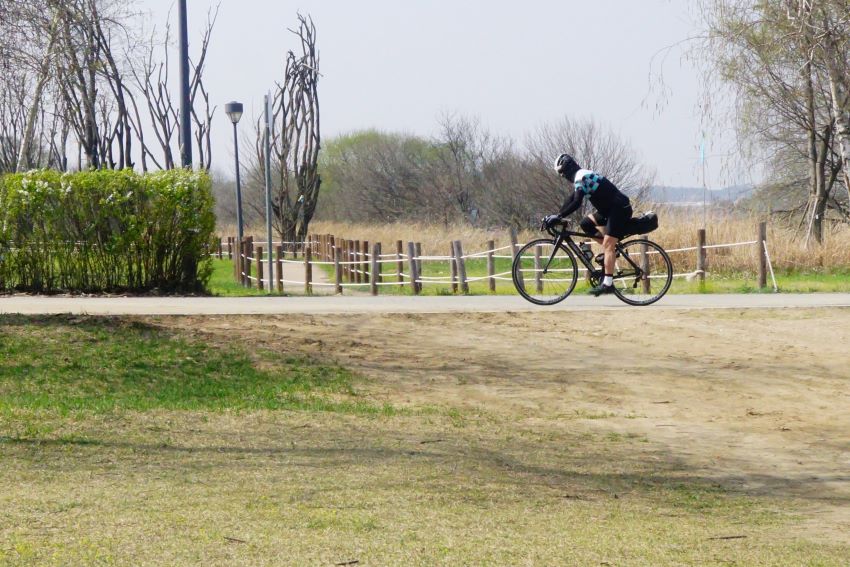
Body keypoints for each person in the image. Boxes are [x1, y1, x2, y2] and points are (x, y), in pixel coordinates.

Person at [543, 153, 633, 296]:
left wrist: (559, 216)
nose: (562, 176)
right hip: (608, 210)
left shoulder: (582, 176)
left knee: (609, 244)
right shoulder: (580, 177)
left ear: (568, 168)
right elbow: (571, 199)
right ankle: (613, 251)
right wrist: (556, 215)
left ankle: (608, 284)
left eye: (562, 173)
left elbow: (577, 202)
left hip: (619, 209)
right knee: (586, 224)